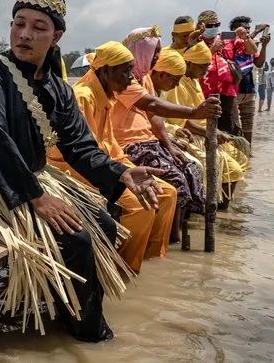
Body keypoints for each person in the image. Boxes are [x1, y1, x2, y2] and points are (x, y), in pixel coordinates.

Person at [0, 0, 165, 342]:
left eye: (38, 27)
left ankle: (63, 306)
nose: (25, 35)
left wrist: (120, 173)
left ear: (56, 37)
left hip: (32, 177)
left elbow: (79, 145)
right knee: (76, 239)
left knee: (106, 225)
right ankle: (85, 332)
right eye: (18, 24)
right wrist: (35, 196)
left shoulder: (55, 87)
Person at [48, 41, 178, 273]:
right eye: (126, 71)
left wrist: (128, 169)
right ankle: (123, 268)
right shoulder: (83, 97)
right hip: (76, 169)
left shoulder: (106, 94)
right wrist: (118, 175)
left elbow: (111, 146)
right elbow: (82, 154)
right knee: (142, 206)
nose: (131, 78)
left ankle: (149, 259)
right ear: (106, 71)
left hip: (106, 164)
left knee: (168, 193)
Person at [115, 27, 219, 242]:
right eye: (154, 52)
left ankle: (175, 233)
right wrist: (195, 112)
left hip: (147, 140)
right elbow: (152, 104)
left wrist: (169, 144)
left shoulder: (143, 78)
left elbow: (154, 115)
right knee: (175, 179)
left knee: (191, 169)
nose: (157, 57)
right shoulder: (123, 78)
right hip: (127, 143)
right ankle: (170, 238)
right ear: (141, 52)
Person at [164, 42, 248, 209]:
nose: (205, 71)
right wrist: (209, 133)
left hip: (205, 131)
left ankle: (216, 202)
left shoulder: (194, 80)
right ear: (189, 64)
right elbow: (181, 118)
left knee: (242, 157)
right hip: (191, 133)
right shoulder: (176, 83)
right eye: (202, 67)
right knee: (232, 170)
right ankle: (211, 206)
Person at [197, 10, 240, 135]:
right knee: (207, 129)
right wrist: (212, 49)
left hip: (227, 92)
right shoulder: (194, 40)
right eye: (210, 26)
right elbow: (193, 63)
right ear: (201, 26)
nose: (214, 28)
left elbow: (250, 48)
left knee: (230, 130)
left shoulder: (225, 36)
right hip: (203, 92)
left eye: (217, 24)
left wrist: (245, 35)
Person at [228, 16, 270, 142]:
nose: (246, 31)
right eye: (244, 29)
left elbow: (259, 63)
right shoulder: (228, 43)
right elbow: (238, 43)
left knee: (248, 126)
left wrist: (264, 46)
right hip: (233, 91)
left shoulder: (250, 45)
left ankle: (248, 154)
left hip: (249, 90)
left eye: (248, 29)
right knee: (233, 126)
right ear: (234, 30)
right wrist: (255, 31)